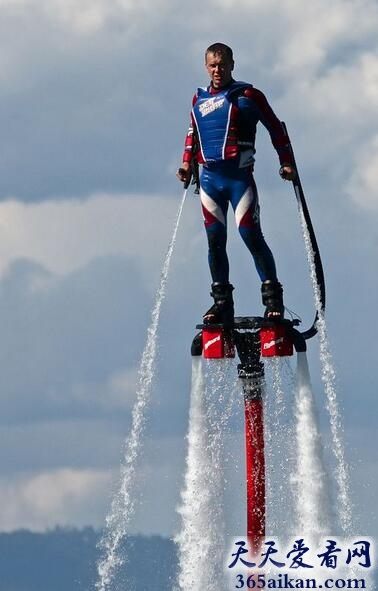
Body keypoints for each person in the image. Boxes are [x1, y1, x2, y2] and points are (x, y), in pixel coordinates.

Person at [177, 42, 296, 327]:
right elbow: (192, 133)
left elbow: (275, 128)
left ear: (232, 64)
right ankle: (221, 303)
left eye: (222, 64)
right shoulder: (198, 99)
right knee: (215, 241)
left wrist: (286, 162)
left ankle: (273, 301)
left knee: (250, 235)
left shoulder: (248, 96)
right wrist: (185, 164)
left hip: (239, 180)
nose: (217, 70)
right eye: (212, 65)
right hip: (209, 181)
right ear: (206, 67)